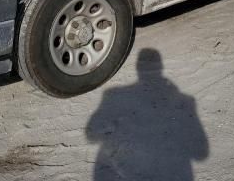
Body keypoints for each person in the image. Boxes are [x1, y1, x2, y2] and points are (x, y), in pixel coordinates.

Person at [86, 48, 209, 181]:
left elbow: (91, 134)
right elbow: (201, 153)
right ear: (161, 67)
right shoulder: (186, 102)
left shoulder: (114, 95)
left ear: (137, 68)